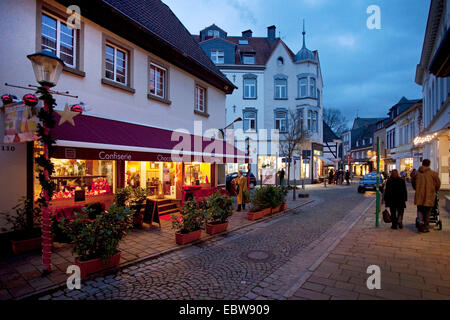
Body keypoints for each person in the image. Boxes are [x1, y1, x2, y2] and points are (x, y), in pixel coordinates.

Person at [411, 159, 441, 233]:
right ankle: (426, 226)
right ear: (429, 164)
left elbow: (413, 182)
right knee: (428, 211)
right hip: (429, 195)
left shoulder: (416, 173)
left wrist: (417, 188)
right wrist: (434, 189)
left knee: (420, 208)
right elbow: (438, 184)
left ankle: (420, 221)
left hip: (419, 195)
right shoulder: (433, 174)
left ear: (422, 164)